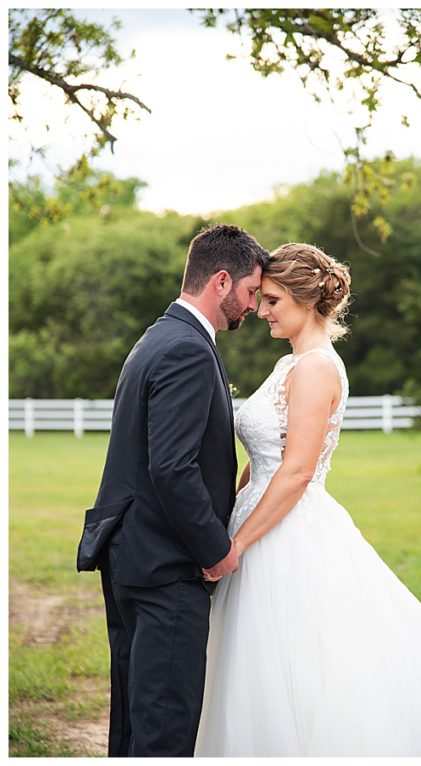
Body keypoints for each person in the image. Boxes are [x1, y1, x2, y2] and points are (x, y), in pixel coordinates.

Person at [194, 243, 421, 756]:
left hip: (287, 531)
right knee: (253, 661)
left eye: (273, 301)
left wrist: (239, 543)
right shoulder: (288, 364)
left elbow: (295, 471)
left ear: (305, 299)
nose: (261, 311)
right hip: (258, 515)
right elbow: (268, 455)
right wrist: (227, 514)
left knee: (300, 660)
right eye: (262, 300)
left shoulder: (316, 368)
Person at [76, 223, 268, 756]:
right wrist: (216, 549)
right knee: (164, 726)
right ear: (222, 281)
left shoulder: (158, 336)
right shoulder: (186, 348)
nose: (253, 307)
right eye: (252, 292)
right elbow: (172, 468)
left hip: (133, 554)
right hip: (166, 566)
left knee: (136, 721)